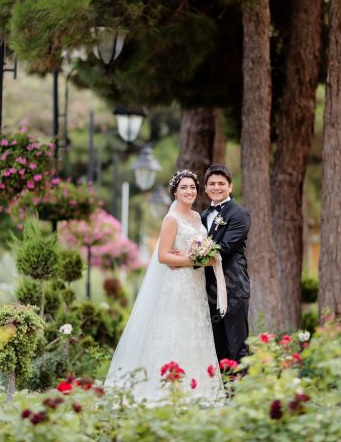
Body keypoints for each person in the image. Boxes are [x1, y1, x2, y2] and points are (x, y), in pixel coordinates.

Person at [104, 170, 225, 405]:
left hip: (196, 285)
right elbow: (163, 256)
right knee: (174, 332)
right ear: (175, 192)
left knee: (195, 332)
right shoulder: (171, 219)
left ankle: (199, 388)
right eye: (184, 188)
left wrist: (202, 257)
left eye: (192, 187)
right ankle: (168, 388)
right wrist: (196, 260)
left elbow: (201, 251)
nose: (189, 191)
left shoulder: (197, 217)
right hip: (178, 284)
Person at [201, 164, 251, 363]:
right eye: (212, 183)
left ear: (230, 186)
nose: (216, 187)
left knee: (238, 348)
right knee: (217, 350)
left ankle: (242, 384)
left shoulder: (240, 214)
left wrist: (186, 260)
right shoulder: (203, 216)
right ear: (206, 188)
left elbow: (223, 248)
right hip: (208, 291)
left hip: (233, 289)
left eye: (221, 183)